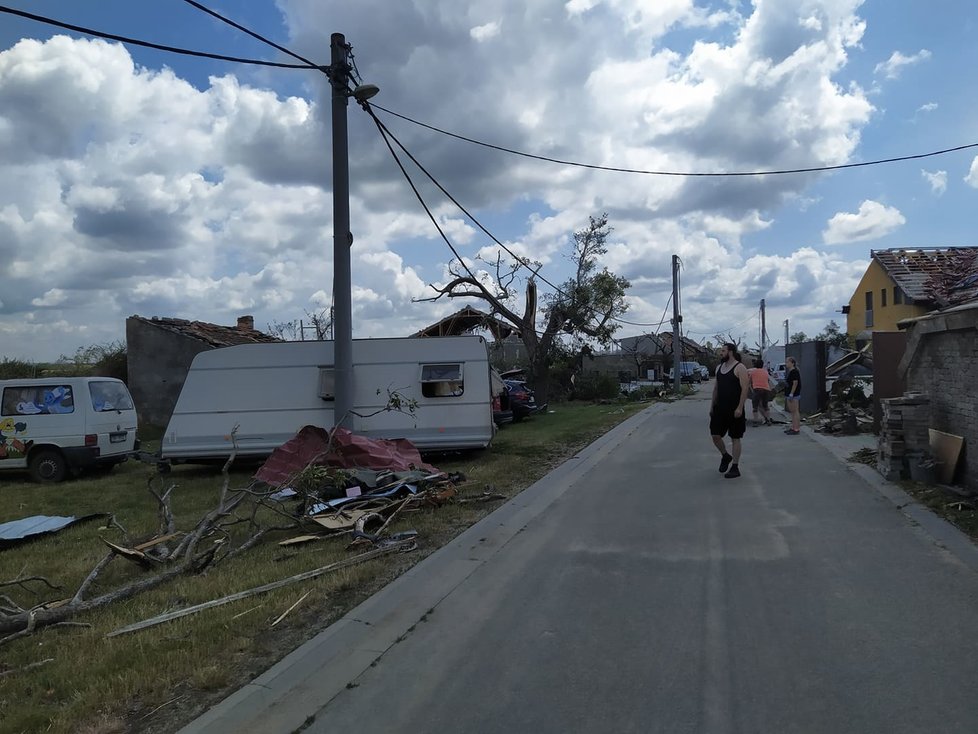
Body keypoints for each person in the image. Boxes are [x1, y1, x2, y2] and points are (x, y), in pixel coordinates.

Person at [710, 342, 750, 478]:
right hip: (719, 409)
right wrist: (712, 406)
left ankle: (735, 467)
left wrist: (740, 407)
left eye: (723, 350)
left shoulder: (740, 368)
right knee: (715, 436)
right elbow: (716, 388)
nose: (721, 353)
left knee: (735, 437)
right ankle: (725, 456)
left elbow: (745, 389)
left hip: (734, 410)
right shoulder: (719, 368)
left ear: (731, 352)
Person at [748, 358, 774, 426]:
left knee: (755, 406)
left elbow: (749, 381)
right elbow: (768, 380)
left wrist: (751, 389)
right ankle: (768, 420)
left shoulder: (753, 372)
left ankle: (755, 421)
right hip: (766, 389)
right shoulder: (765, 372)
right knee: (766, 406)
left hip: (757, 389)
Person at [784, 356, 802, 435]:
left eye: (787, 362)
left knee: (795, 411)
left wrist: (791, 393)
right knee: (792, 412)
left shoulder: (794, 372)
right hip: (790, 393)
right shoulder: (791, 372)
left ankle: (796, 428)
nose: (786, 364)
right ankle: (793, 427)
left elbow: (795, 383)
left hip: (793, 394)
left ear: (792, 363)